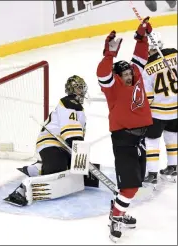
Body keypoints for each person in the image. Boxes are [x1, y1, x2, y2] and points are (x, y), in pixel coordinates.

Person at [96, 17, 153, 241]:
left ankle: (117, 209)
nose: (129, 75)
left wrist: (142, 35)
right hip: (123, 141)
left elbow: (140, 56)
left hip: (140, 140)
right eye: (125, 74)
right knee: (130, 187)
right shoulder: (112, 88)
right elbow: (102, 74)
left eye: (130, 73)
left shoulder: (137, 77)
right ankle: (116, 217)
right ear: (118, 77)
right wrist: (109, 55)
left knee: (135, 184)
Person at [4, 75, 88, 206]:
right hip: (50, 141)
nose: (81, 91)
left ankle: (40, 167)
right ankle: (34, 173)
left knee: (70, 171)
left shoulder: (79, 108)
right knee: (57, 169)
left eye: (82, 88)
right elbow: (71, 130)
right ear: (71, 89)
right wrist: (78, 147)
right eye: (78, 88)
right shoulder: (69, 102)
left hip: (63, 145)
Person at [142, 32, 178, 185]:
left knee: (151, 142)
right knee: (172, 139)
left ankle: (152, 175)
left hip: (157, 112)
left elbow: (148, 97)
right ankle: (173, 167)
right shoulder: (175, 54)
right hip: (176, 109)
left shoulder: (146, 67)